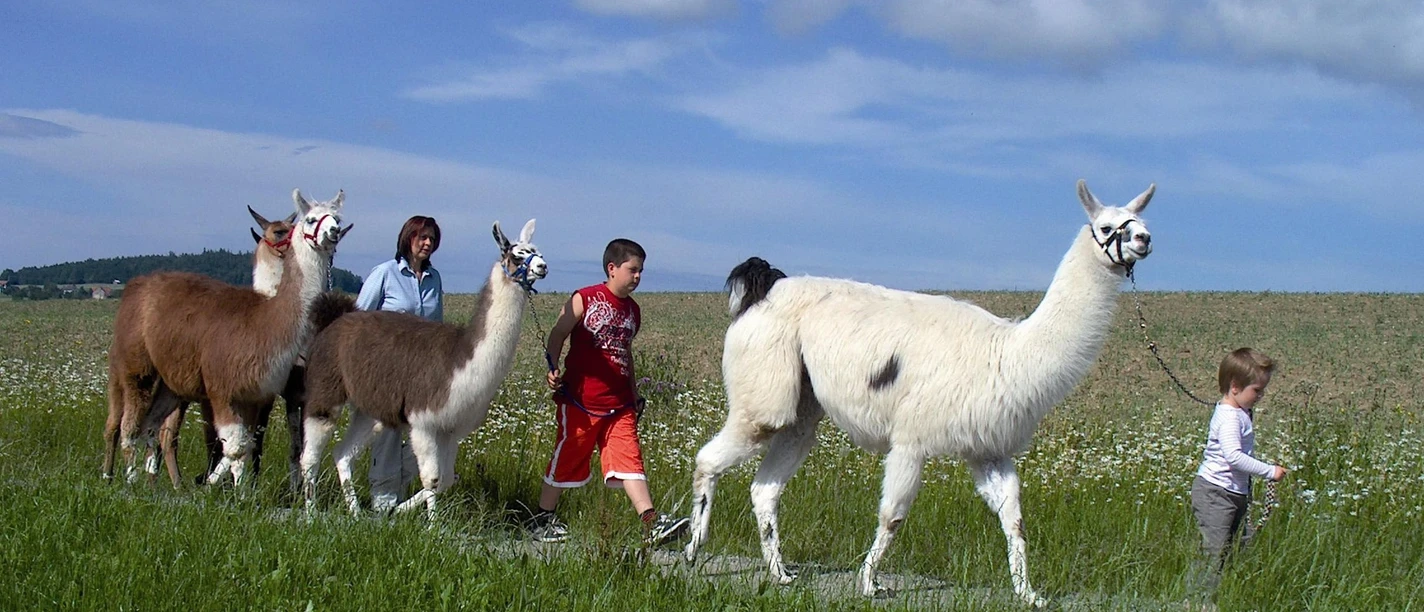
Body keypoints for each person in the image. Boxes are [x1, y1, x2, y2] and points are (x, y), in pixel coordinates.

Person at [526, 238, 689, 545]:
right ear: (612, 268)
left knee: (630, 460)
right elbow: (559, 333)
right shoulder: (584, 299)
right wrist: (552, 366)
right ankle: (541, 518)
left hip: (620, 404)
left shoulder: (633, 311)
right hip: (580, 401)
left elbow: (625, 354)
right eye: (633, 270)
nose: (637, 277)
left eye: (641, 271)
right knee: (568, 457)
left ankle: (651, 523)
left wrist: (633, 392)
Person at [354, 215, 443, 512]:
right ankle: (382, 501)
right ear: (408, 238)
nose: (427, 243)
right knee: (387, 434)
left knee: (419, 435)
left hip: (420, 375)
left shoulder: (435, 279)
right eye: (422, 237)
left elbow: (436, 328)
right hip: (385, 372)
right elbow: (357, 321)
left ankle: (402, 497)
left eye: (431, 238)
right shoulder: (385, 273)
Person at [1189, 347, 1287, 597]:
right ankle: (1198, 599)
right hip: (1216, 493)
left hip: (1232, 493)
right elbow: (1233, 457)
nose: (1260, 396)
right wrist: (1269, 471)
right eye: (1256, 390)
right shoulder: (1231, 417)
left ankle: (1222, 594)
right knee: (1214, 549)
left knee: (1234, 547)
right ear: (1235, 386)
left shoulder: (1240, 413)